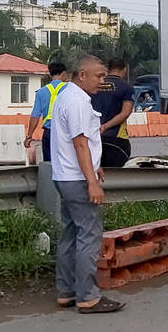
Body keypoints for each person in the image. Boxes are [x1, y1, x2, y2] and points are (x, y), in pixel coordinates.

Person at [51, 55, 126, 314]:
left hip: (65, 176)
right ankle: (88, 296)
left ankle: (66, 291)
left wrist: (95, 164)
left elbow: (83, 143)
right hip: (77, 180)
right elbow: (80, 143)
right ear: (81, 75)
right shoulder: (78, 102)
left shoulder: (67, 96)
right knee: (89, 236)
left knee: (70, 234)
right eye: (99, 76)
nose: (103, 81)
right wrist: (92, 182)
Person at [90, 57, 134, 168]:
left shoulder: (94, 86)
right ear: (124, 69)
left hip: (94, 137)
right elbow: (125, 113)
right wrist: (105, 126)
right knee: (116, 175)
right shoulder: (126, 87)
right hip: (117, 138)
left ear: (107, 69)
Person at [26, 61, 68, 163]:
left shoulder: (41, 92)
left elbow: (35, 116)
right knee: (66, 163)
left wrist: (29, 136)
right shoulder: (69, 89)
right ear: (63, 74)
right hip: (65, 132)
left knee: (49, 164)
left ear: (50, 75)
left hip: (48, 133)